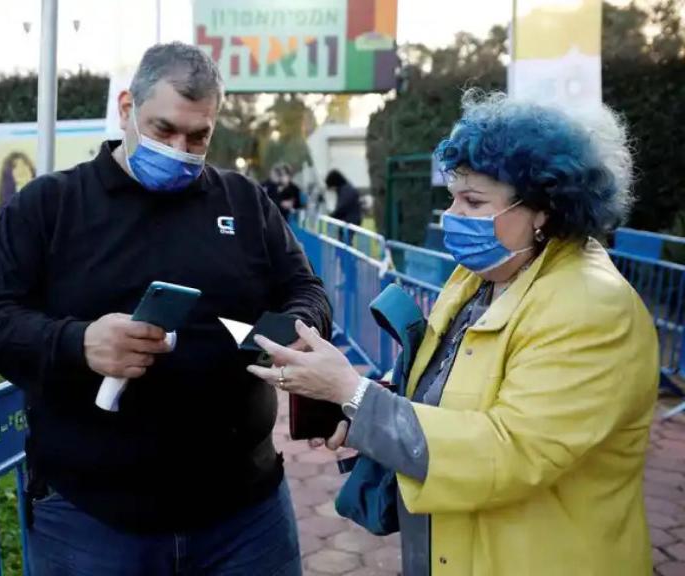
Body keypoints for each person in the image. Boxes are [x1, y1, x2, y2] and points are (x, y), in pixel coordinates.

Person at [247, 91, 657, 575]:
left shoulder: (591, 306)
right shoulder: (483, 275)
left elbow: (511, 450)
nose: (452, 215)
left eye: (474, 200)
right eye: (453, 197)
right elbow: (449, 393)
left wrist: (353, 393)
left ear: (544, 209)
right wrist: (356, 411)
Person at [0, 41, 331, 575]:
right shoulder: (46, 208)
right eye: (163, 130)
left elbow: (306, 289)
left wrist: (301, 333)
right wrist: (80, 343)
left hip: (246, 512)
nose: (180, 148)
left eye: (198, 137)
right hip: (92, 518)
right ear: (126, 109)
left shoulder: (244, 202)